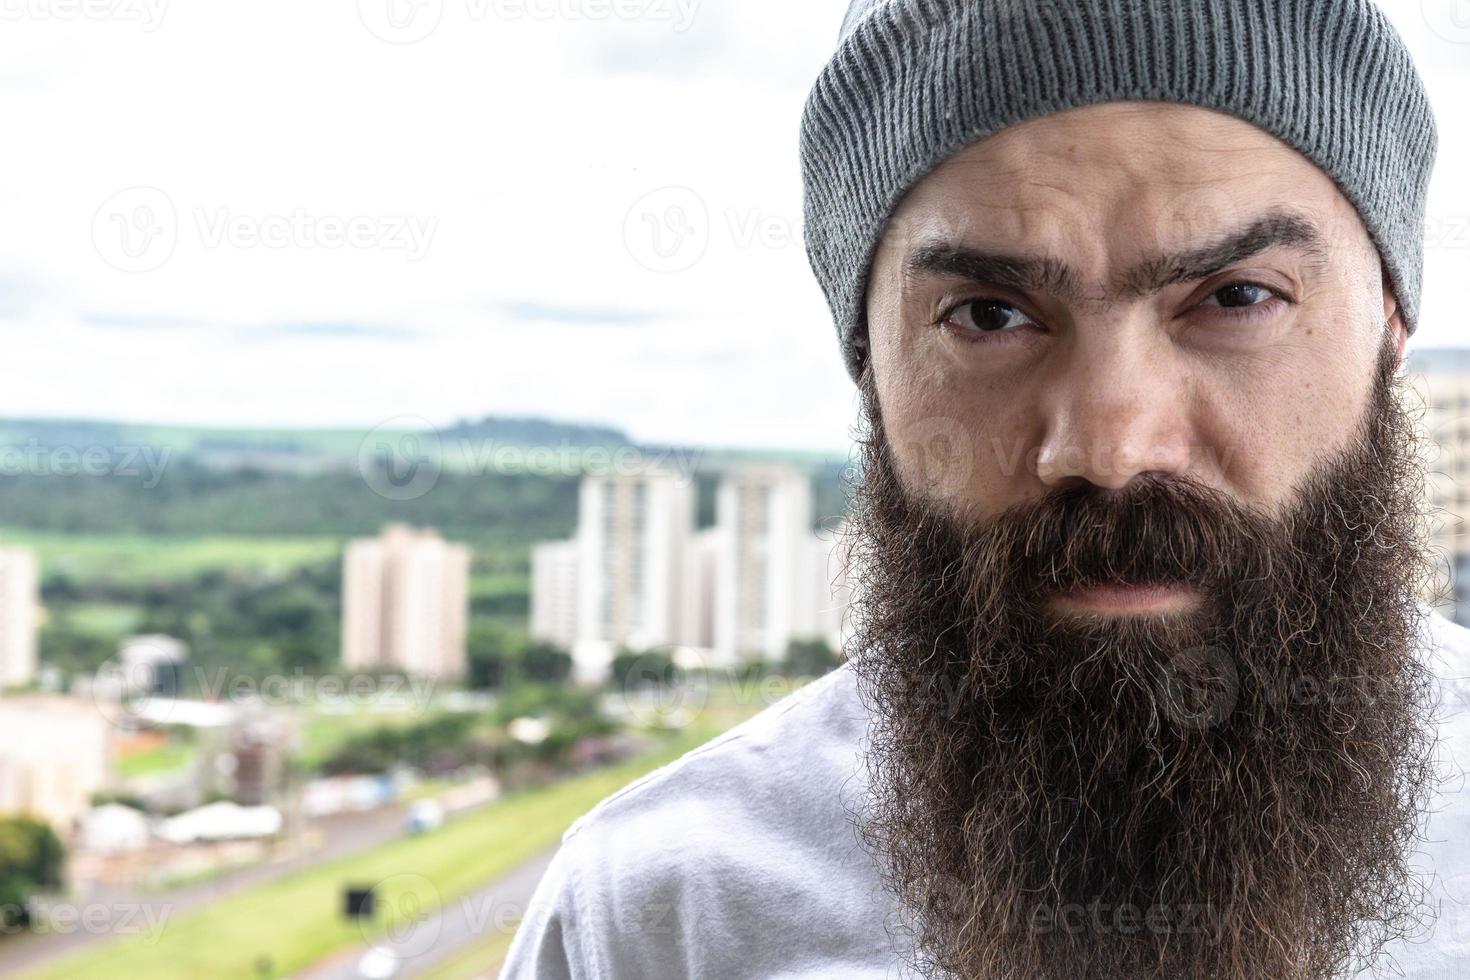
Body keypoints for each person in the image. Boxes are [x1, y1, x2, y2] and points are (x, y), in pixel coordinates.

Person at [501, 1, 1470, 976]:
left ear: (1389, 321)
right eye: (991, 312)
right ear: (869, 361)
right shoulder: (656, 915)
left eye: (1236, 296)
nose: (1110, 445)